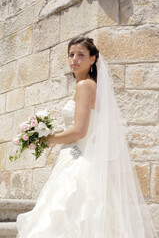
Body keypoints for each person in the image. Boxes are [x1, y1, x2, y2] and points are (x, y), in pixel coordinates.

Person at [16, 37, 158, 238]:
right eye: (71, 54)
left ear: (93, 59)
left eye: (81, 55)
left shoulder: (85, 86)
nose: (74, 59)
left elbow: (79, 131)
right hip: (82, 160)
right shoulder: (89, 85)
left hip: (78, 163)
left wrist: (45, 139)